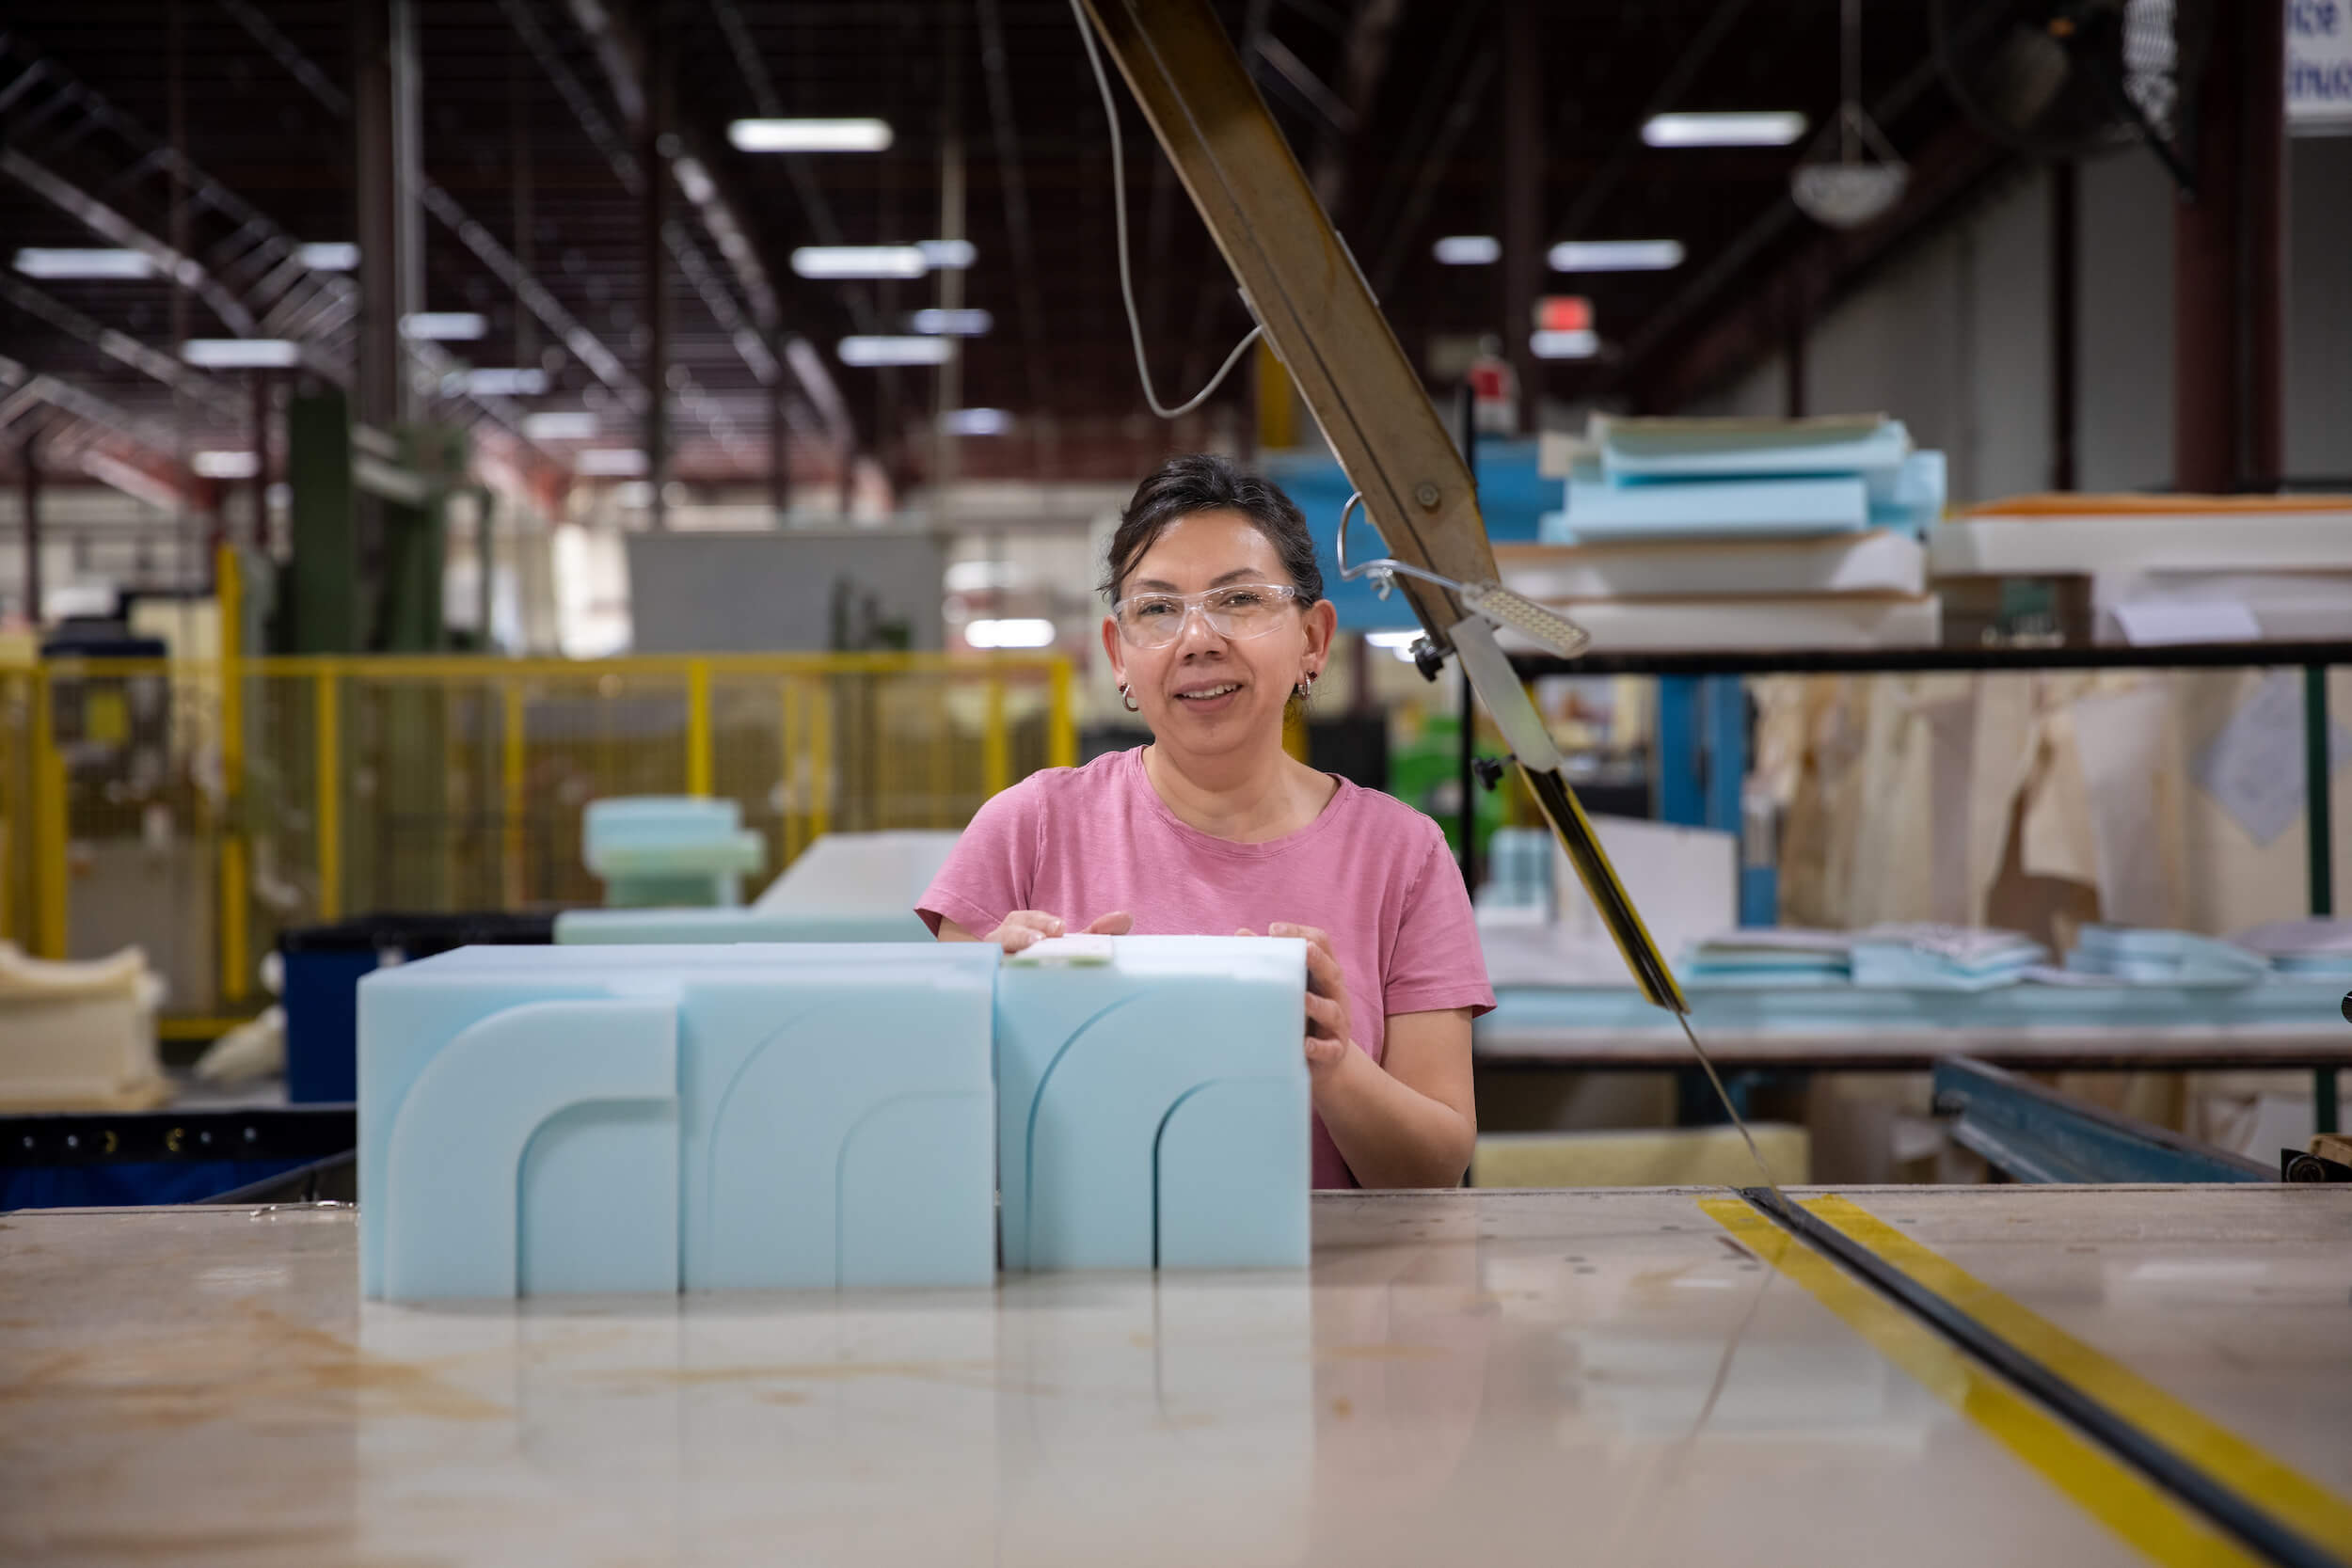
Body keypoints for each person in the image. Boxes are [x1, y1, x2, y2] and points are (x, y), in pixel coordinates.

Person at [917, 453, 1491, 1189]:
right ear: (1118, 654)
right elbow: (928, 1125)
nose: (1197, 639)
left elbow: (1437, 1165)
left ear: (1313, 640)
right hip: (1077, 1279)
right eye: (1157, 609)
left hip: (1332, 1290)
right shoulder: (1027, 828)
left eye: (1239, 601)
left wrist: (1331, 1061)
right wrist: (992, 1015)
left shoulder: (1402, 855)